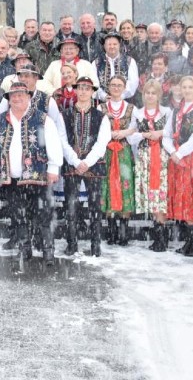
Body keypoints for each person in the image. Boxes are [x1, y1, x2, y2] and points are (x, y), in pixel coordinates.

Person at [0, 81, 63, 267]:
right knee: (18, 215)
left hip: (38, 176)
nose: (17, 98)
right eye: (13, 95)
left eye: (21, 94)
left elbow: (53, 144)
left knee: (43, 215)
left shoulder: (43, 119)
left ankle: (48, 251)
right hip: (11, 178)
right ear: (9, 99)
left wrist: (53, 168)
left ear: (29, 97)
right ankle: (24, 248)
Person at [60, 76, 110, 256]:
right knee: (71, 206)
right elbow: (63, 141)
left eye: (87, 88)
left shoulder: (101, 116)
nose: (82, 91)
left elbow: (102, 142)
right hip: (72, 165)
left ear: (92, 92)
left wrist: (87, 162)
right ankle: (72, 242)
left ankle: (95, 243)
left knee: (95, 206)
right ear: (75, 90)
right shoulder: (65, 114)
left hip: (94, 165)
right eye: (80, 88)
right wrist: (75, 161)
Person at [162, 76, 193, 257]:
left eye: (190, 87)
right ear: (180, 89)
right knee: (182, 196)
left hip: (192, 157)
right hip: (177, 157)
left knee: (192, 196)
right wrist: (172, 152)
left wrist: (180, 153)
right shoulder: (175, 111)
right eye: (184, 87)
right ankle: (190, 240)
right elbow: (166, 135)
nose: (187, 90)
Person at [128, 79, 172, 251]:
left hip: (161, 157)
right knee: (151, 195)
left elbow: (171, 133)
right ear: (143, 94)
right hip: (144, 156)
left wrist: (159, 133)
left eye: (154, 93)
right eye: (147, 93)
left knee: (160, 194)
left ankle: (162, 236)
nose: (150, 96)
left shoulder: (167, 112)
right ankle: (158, 235)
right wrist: (144, 135)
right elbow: (131, 136)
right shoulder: (138, 113)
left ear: (159, 95)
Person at [98, 75, 136, 245]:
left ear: (124, 87)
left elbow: (136, 127)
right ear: (108, 87)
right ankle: (112, 230)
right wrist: (109, 135)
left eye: (119, 85)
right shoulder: (101, 108)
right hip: (107, 151)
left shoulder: (131, 108)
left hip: (124, 152)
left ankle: (124, 231)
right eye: (113, 85)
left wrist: (125, 133)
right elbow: (98, 128)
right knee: (108, 186)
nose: (115, 88)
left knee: (125, 185)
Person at [94, 32, 139, 102]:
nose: (112, 47)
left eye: (115, 44)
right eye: (109, 44)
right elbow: (94, 83)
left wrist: (121, 96)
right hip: (103, 102)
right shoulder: (96, 62)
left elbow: (133, 82)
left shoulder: (129, 61)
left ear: (119, 45)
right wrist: (103, 96)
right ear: (104, 46)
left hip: (124, 101)